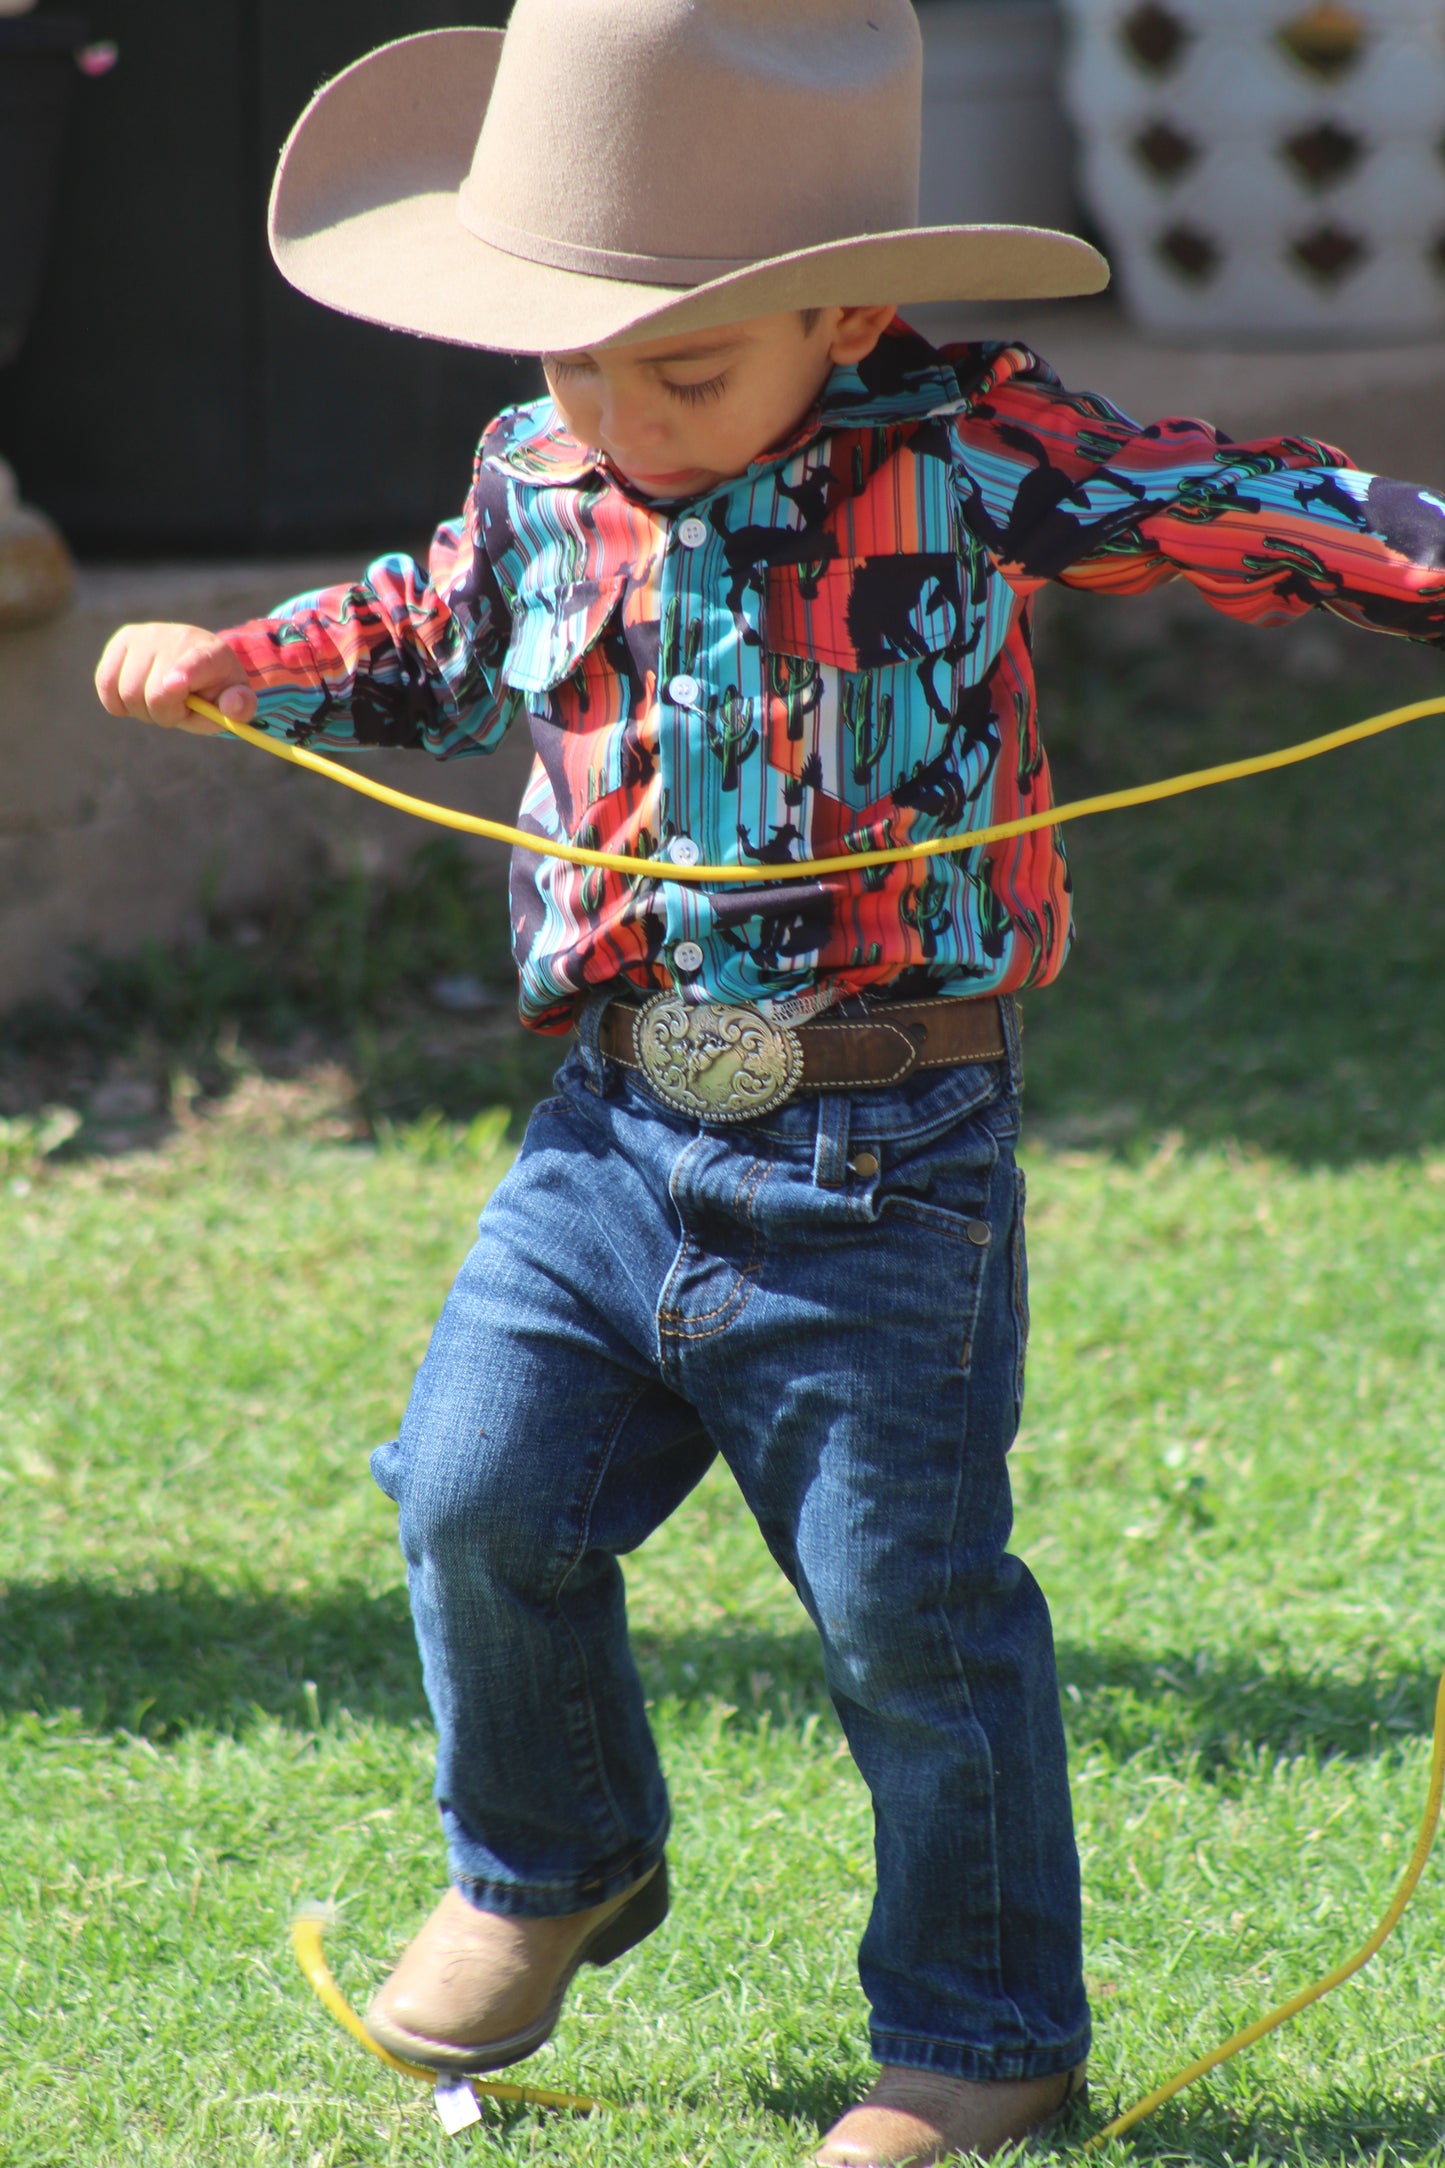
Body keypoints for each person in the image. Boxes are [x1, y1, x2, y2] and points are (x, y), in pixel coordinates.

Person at [93, 3, 1445, 2159]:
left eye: (688, 367)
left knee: (910, 1610)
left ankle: (980, 2033)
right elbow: (442, 626)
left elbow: (1214, 495)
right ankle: (553, 1864)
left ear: (845, 305)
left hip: (881, 1148)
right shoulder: (542, 473)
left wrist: (1420, 557)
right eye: (575, 359)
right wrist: (251, 661)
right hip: (613, 1126)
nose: (624, 415)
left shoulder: (967, 441)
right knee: (472, 1492)